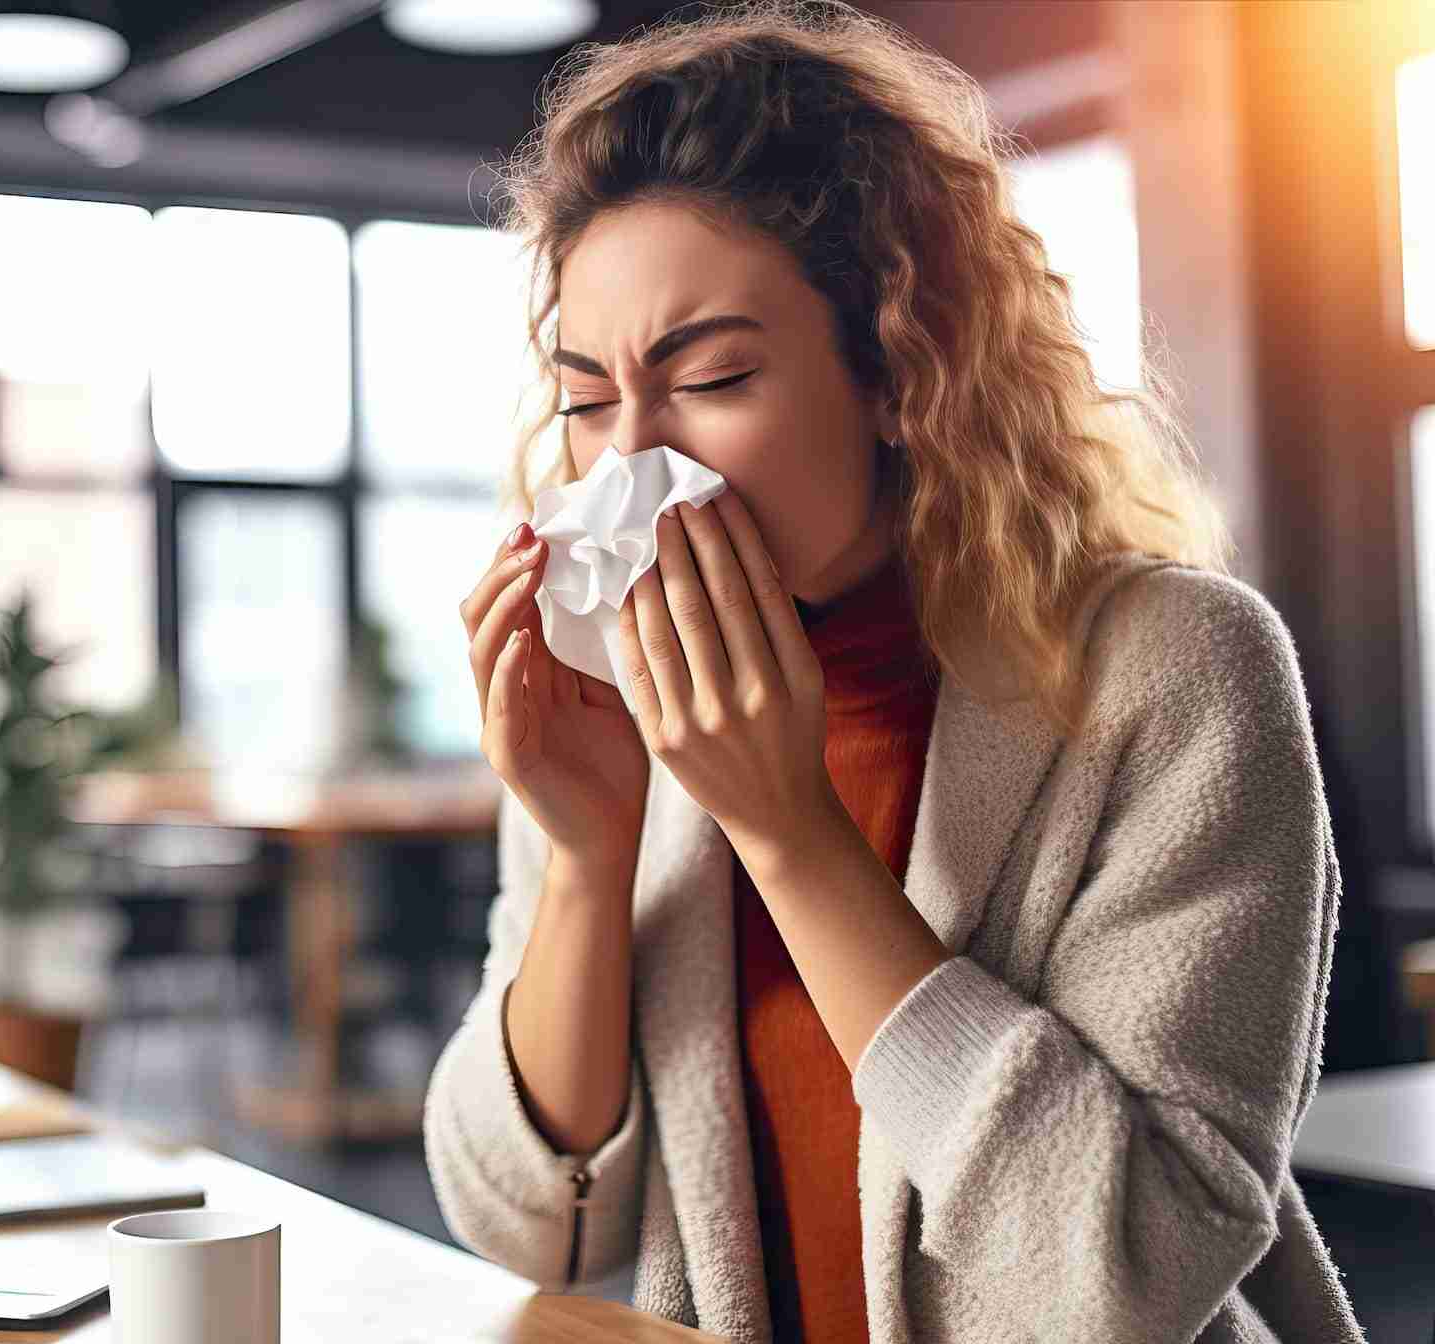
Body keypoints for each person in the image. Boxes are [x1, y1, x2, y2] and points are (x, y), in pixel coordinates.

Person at [421, 3, 1368, 1342]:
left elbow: (1136, 1274)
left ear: (899, 369)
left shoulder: (1173, 672)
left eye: (713, 377)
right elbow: (530, 1229)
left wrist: (788, 832)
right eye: (585, 402)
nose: (627, 465)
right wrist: (584, 857)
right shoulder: (624, 702)